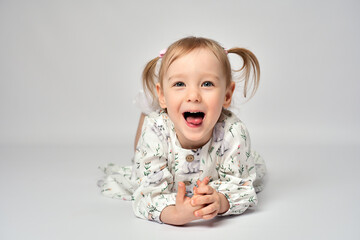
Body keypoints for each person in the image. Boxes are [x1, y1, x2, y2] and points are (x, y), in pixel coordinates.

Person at [98, 36, 266, 225]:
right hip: (159, 141)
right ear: (162, 94)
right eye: (179, 84)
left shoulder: (233, 132)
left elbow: (240, 186)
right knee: (141, 152)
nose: (193, 96)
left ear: (227, 95)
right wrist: (175, 214)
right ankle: (148, 106)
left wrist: (220, 201)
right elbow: (148, 195)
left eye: (207, 84)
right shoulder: (156, 130)